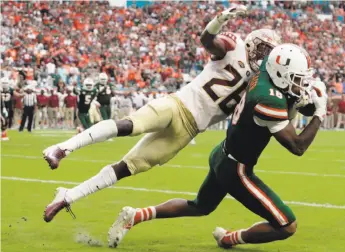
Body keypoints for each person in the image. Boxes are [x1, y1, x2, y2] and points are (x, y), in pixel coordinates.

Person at [42, 6, 282, 222]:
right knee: (129, 125)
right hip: (177, 105)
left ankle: (68, 196)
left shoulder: (262, 82)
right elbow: (207, 40)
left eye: (268, 53)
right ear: (252, 44)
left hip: (189, 131)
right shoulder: (234, 47)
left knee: (128, 167)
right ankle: (62, 148)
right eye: (262, 49)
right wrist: (218, 21)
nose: (264, 57)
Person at [107, 44, 327, 248]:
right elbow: (297, 146)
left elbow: (289, 97)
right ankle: (228, 238)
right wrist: (319, 113)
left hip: (222, 154)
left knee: (200, 206)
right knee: (287, 225)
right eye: (296, 79)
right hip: (237, 170)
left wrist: (302, 99)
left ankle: (135, 215)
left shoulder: (264, 72)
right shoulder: (268, 100)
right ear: (279, 74)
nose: (300, 84)